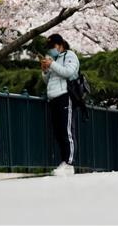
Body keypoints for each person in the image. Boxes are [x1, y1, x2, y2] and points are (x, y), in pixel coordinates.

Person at [41, 33, 80, 176]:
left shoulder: (70, 55)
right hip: (54, 97)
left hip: (65, 96)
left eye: (53, 46)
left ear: (60, 45)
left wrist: (52, 64)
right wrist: (45, 71)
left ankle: (69, 163)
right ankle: (64, 161)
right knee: (58, 132)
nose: (51, 49)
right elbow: (48, 81)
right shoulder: (55, 59)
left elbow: (69, 72)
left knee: (67, 131)